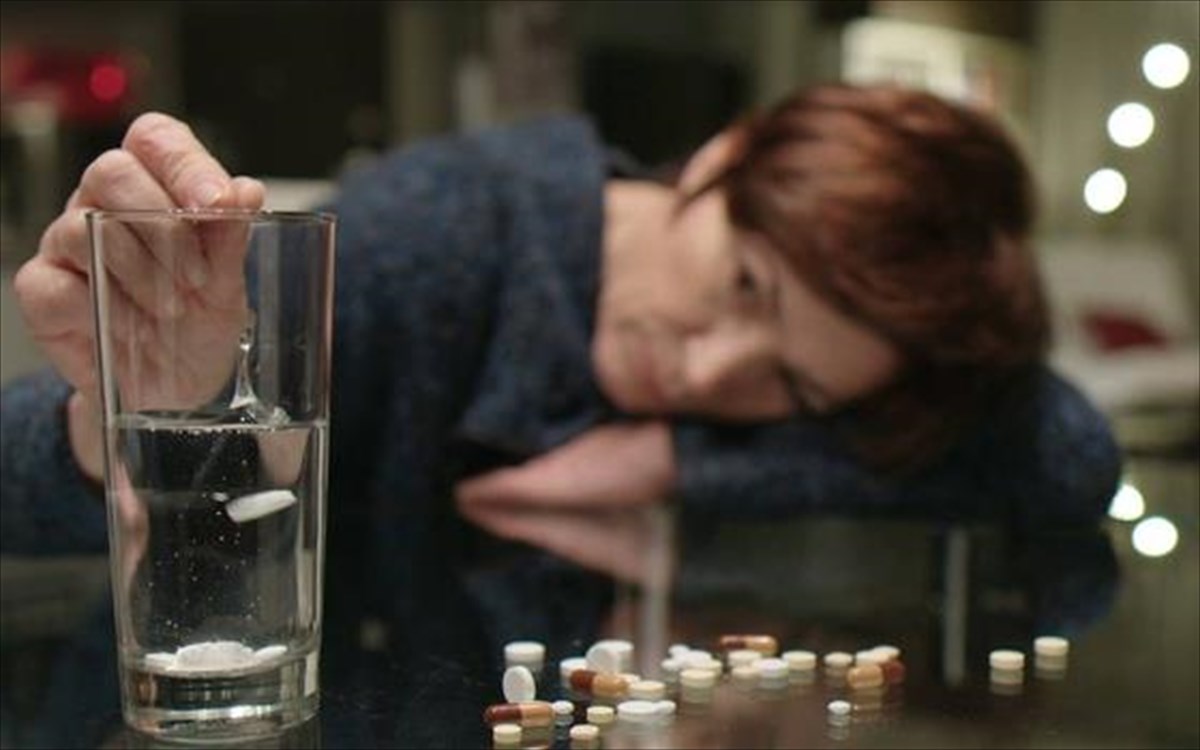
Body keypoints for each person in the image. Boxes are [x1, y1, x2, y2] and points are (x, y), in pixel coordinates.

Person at [1, 84, 1120, 653]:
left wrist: (672, 461)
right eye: (746, 288)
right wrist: (140, 413)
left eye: (794, 391)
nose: (710, 374)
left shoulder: (767, 389)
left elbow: (1070, 457)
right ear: (725, 158)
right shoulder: (443, 237)